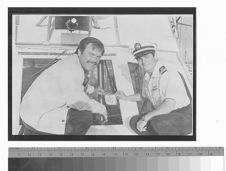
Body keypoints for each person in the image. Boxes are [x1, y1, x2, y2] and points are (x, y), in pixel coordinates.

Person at [20, 37, 107, 135]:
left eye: (98, 56)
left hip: (30, 113)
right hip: (38, 117)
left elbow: (73, 84)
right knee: (84, 117)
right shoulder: (72, 68)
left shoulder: (72, 62)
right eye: (91, 54)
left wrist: (92, 90)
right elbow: (77, 101)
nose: (95, 60)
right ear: (79, 52)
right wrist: (101, 109)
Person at [115, 43, 192, 135]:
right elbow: (143, 96)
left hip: (184, 115)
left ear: (154, 56)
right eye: (139, 59)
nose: (143, 61)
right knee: (134, 122)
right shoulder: (147, 77)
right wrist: (125, 97)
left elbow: (169, 105)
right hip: (166, 115)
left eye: (147, 56)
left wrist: (146, 118)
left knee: (157, 123)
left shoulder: (168, 73)